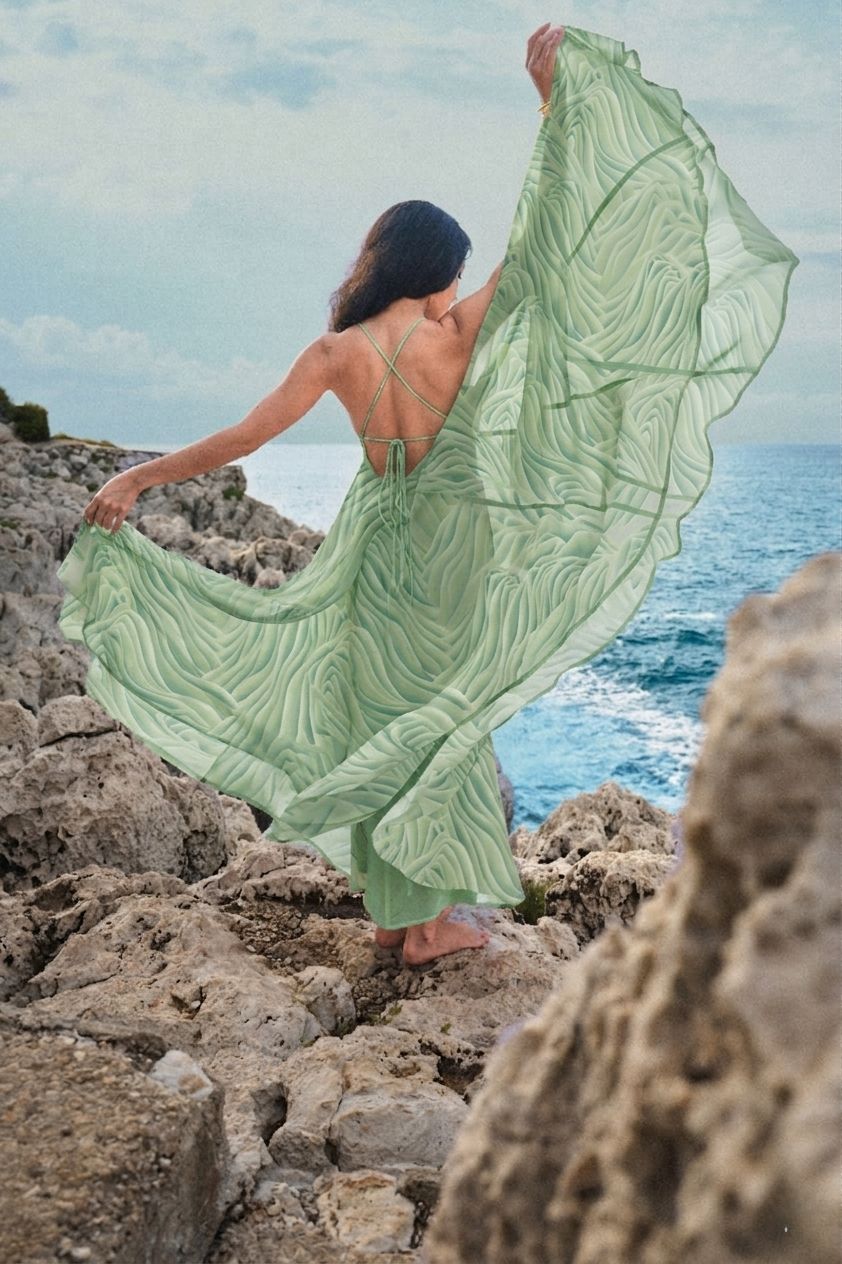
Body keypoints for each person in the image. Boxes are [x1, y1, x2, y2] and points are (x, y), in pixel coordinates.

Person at [58, 23, 798, 968]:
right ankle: (427, 928)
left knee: (380, 713)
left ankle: (397, 914)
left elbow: (244, 437)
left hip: (378, 542)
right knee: (442, 721)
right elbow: (552, 233)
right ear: (436, 268)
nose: (456, 284)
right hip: (463, 538)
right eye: (453, 270)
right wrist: (554, 112)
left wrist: (135, 477)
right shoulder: (459, 331)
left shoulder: (334, 353)